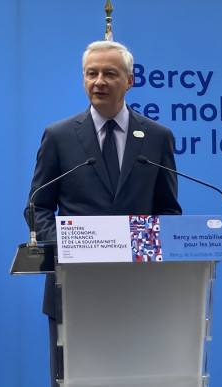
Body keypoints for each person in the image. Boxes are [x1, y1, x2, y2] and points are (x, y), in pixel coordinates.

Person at [24, 40, 181, 387]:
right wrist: (65, 247)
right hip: (73, 283)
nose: (99, 81)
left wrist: (142, 246)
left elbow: (167, 210)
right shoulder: (59, 136)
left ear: (129, 80)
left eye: (110, 74)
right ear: (83, 80)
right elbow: (38, 206)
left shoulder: (157, 137)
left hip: (136, 287)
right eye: (91, 73)